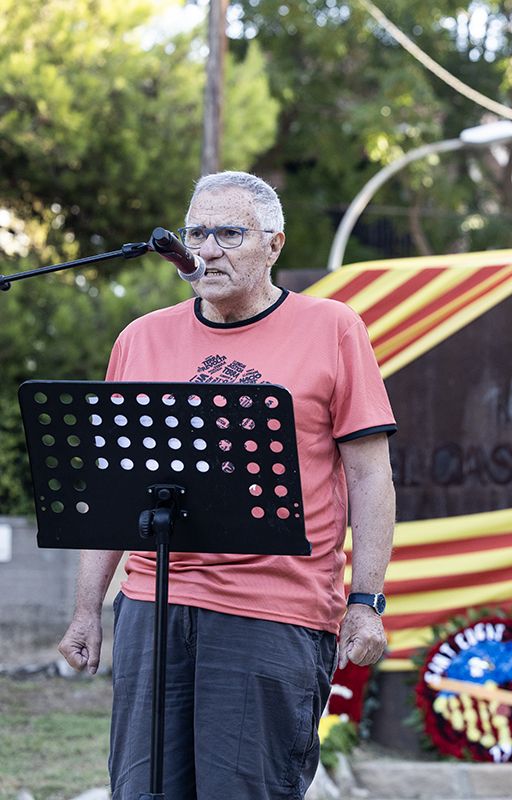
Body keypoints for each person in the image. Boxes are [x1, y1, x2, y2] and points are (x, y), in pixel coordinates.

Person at [56, 171, 398, 799]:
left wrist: (366, 601)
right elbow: (113, 489)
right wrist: (87, 610)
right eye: (195, 232)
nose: (206, 248)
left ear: (274, 244)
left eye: (228, 233)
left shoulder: (332, 327)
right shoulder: (140, 338)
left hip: (274, 612)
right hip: (153, 607)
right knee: (142, 790)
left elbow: (370, 473)